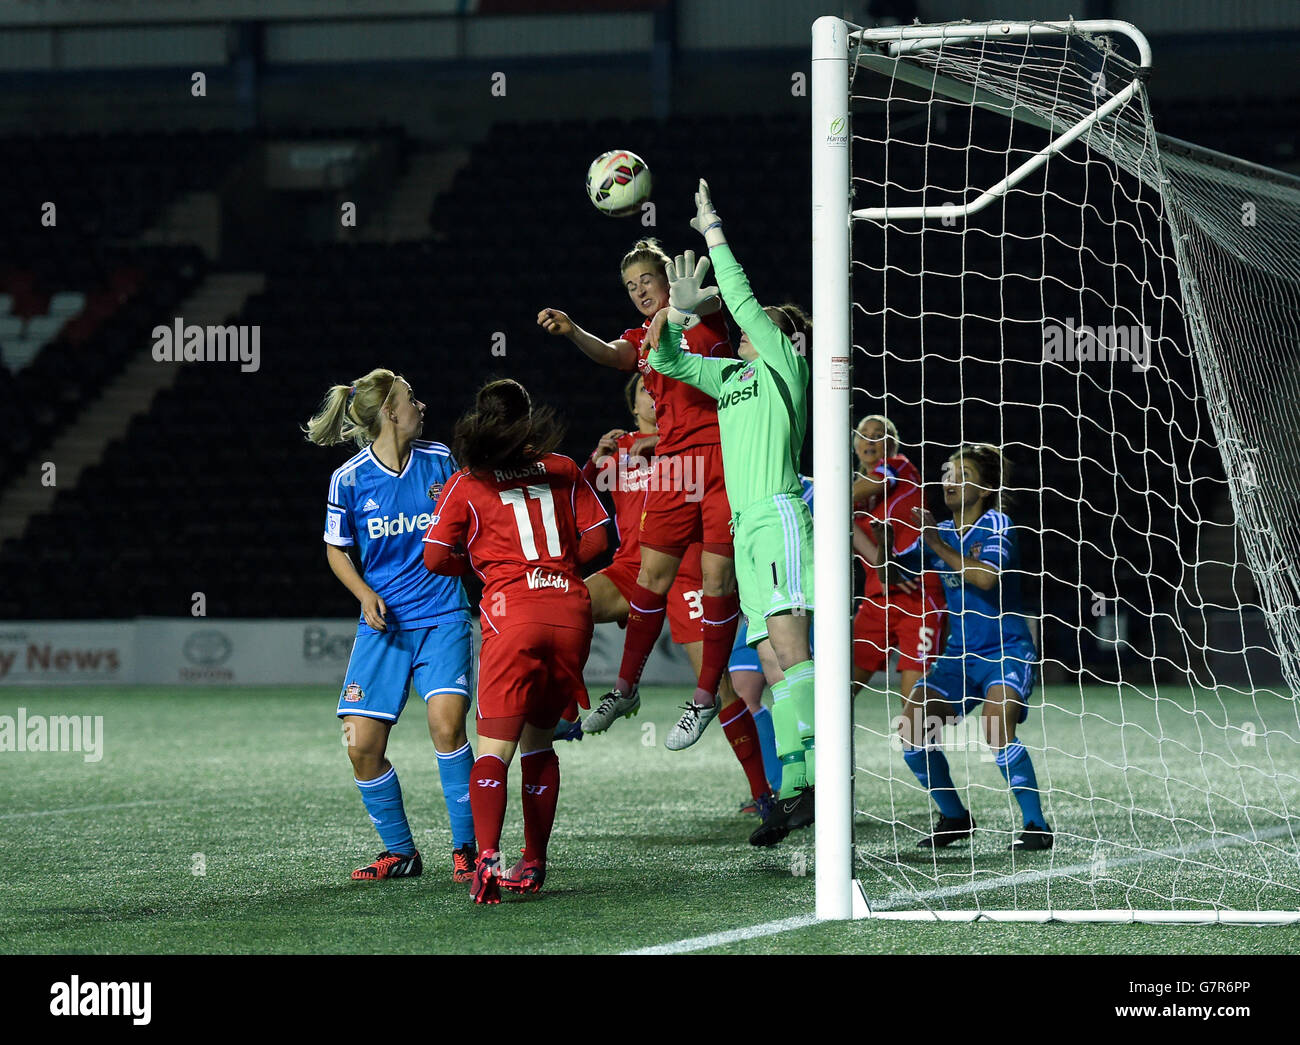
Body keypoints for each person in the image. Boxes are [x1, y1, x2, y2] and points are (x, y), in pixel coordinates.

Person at [647, 180, 815, 848]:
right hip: (744, 529)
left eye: (760, 325)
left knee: (792, 651)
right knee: (772, 664)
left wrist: (712, 229)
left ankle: (822, 774)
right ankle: (796, 788)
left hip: (776, 516)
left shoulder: (780, 367)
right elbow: (668, 363)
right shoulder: (733, 379)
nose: (747, 328)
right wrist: (678, 316)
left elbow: (742, 300)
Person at [538, 237, 739, 750]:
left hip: (722, 458)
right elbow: (612, 353)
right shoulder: (642, 338)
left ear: (668, 279)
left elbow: (714, 303)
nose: (638, 292)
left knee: (717, 582)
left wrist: (688, 302)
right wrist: (572, 330)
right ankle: (625, 688)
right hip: (675, 465)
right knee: (650, 576)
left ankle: (703, 696)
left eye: (646, 280)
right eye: (630, 287)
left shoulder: (703, 312)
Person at [423, 378, 609, 903]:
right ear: (527, 416)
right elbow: (599, 540)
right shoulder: (564, 467)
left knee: (493, 750)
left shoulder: (468, 481)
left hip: (512, 614)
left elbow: (435, 557)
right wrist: (556, 567)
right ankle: (533, 863)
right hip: (570, 612)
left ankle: (486, 860)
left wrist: (484, 564)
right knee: (540, 743)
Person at [569, 373, 772, 809]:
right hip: (631, 569)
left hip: (688, 574)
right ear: (634, 407)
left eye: (659, 389)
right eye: (646, 391)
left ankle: (762, 792)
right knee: (567, 608)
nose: (654, 395)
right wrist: (593, 462)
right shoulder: (620, 452)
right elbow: (579, 504)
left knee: (720, 689)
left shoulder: (693, 447)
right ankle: (571, 709)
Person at [304, 369, 476, 883]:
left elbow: (472, 522)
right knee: (360, 745)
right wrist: (364, 593)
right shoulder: (349, 479)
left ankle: (469, 849)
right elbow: (337, 549)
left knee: (446, 726)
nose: (420, 405)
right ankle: (400, 853)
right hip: (384, 628)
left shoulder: (440, 459)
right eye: (410, 398)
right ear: (389, 413)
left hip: (443, 616)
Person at [875, 443, 1051, 850]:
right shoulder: (945, 535)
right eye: (948, 472)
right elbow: (891, 574)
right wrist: (884, 541)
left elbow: (987, 579)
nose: (950, 480)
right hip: (958, 657)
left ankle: (1036, 825)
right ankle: (955, 817)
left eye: (963, 473)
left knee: (995, 726)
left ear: (986, 487)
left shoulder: (996, 524)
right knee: (912, 725)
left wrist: (937, 545)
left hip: (1006, 651)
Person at [850, 415, 946, 717]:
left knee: (915, 709)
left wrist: (817, 491)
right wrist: (887, 567)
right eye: (863, 434)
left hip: (918, 593)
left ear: (892, 444)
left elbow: (879, 480)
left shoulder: (900, 467)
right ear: (853, 444)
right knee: (835, 689)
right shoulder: (850, 501)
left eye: (879, 435)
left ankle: (923, 759)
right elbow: (858, 539)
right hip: (878, 597)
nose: (870, 440)